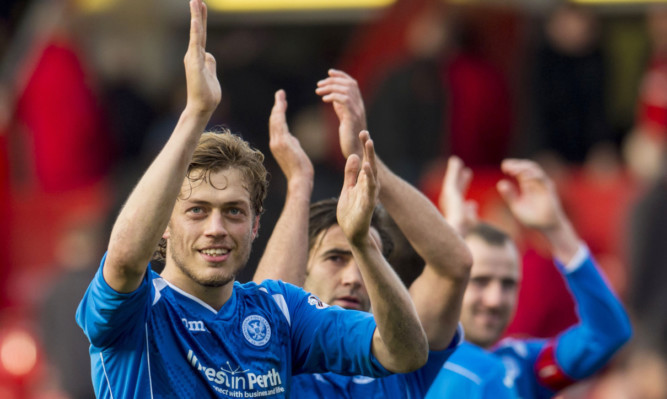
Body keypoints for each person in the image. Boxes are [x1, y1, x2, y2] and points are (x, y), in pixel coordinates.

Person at [75, 1, 430, 397]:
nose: (216, 229)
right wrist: (195, 113)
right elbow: (123, 260)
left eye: (233, 212)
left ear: (256, 225)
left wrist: (363, 243)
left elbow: (404, 353)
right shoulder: (138, 312)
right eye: (197, 211)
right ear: (163, 227)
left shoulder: (280, 310)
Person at [253, 70, 472, 398]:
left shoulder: (404, 346)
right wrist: (300, 183)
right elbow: (264, 310)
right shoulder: (278, 354)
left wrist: (370, 164)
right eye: (336, 258)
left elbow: (453, 267)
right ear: (302, 269)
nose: (354, 278)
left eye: (367, 260)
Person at [425, 156, 633, 398]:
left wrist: (557, 231)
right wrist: (447, 248)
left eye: (508, 284)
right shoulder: (411, 363)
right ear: (456, 281)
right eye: (480, 281)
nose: (495, 299)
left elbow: (607, 334)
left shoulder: (525, 365)